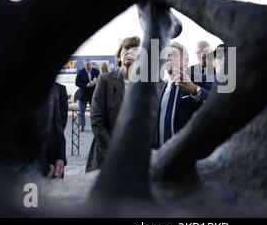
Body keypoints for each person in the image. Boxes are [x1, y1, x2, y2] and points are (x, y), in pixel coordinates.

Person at [85, 36, 141, 172]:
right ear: (119, 56)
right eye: (126, 48)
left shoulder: (147, 84)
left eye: (135, 49)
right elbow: (96, 120)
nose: (130, 52)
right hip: (107, 156)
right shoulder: (105, 80)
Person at [154, 42, 212, 149]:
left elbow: (214, 105)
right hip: (159, 155)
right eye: (167, 56)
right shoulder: (159, 89)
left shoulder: (202, 80)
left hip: (186, 154)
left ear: (185, 60)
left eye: (173, 55)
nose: (168, 58)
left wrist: (195, 90)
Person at [42, 82, 68, 178]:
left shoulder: (59, 89)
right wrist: (44, 166)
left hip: (54, 157)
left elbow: (60, 127)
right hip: (31, 165)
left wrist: (60, 156)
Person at [75, 59, 100, 132]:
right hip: (83, 95)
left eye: (90, 64)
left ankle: (94, 126)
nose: (89, 66)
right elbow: (77, 83)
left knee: (94, 112)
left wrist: (96, 82)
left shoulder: (96, 71)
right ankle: (82, 126)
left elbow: (100, 81)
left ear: (91, 64)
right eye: (87, 65)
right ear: (84, 65)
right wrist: (86, 85)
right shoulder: (80, 72)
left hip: (93, 95)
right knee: (82, 111)